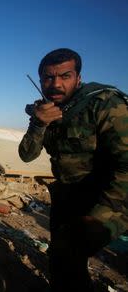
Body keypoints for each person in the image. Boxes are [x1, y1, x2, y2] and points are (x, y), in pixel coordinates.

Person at [18, 48, 128, 291]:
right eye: (48, 77)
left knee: (68, 250)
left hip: (111, 195)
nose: (55, 84)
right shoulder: (45, 109)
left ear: (78, 78)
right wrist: (39, 123)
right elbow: (26, 155)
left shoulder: (105, 104)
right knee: (60, 259)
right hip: (69, 195)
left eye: (64, 76)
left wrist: (102, 212)